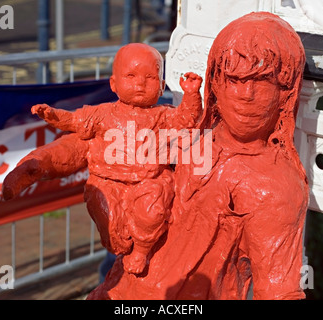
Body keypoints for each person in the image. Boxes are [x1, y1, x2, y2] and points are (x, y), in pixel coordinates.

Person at [86, 12, 309, 300]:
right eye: (234, 78)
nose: (246, 94)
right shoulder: (191, 139)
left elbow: (279, 293)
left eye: (262, 81)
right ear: (215, 83)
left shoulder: (273, 187)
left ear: (285, 94)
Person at [4, 43, 203, 275]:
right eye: (131, 76)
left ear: (161, 87)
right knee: (110, 223)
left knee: (153, 212)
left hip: (150, 183)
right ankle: (119, 253)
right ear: (113, 84)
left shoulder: (163, 115)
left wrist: (191, 95)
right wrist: (52, 115)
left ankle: (141, 249)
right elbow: (74, 121)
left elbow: (186, 120)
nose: (140, 84)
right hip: (106, 181)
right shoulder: (102, 114)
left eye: (150, 78)